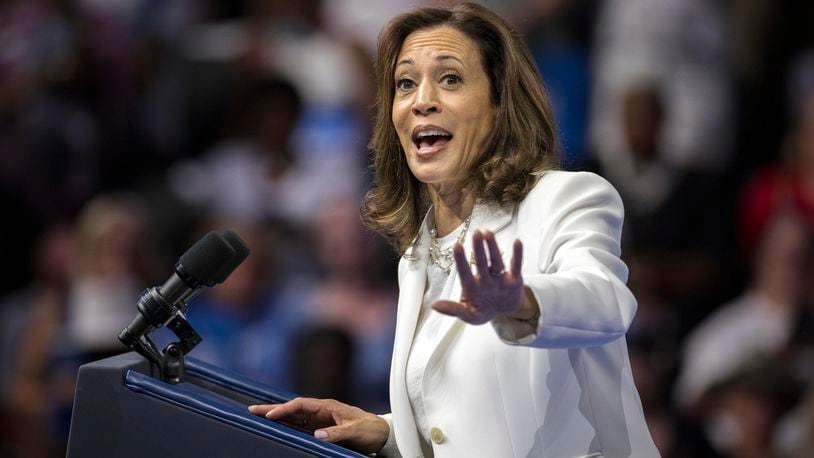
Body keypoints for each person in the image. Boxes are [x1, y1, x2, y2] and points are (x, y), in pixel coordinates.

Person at [249, 3, 658, 457]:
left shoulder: (564, 199)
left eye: (450, 79)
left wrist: (521, 300)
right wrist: (390, 433)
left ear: (501, 101)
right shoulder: (416, 256)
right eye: (406, 83)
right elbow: (464, 422)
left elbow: (606, 304)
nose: (422, 100)